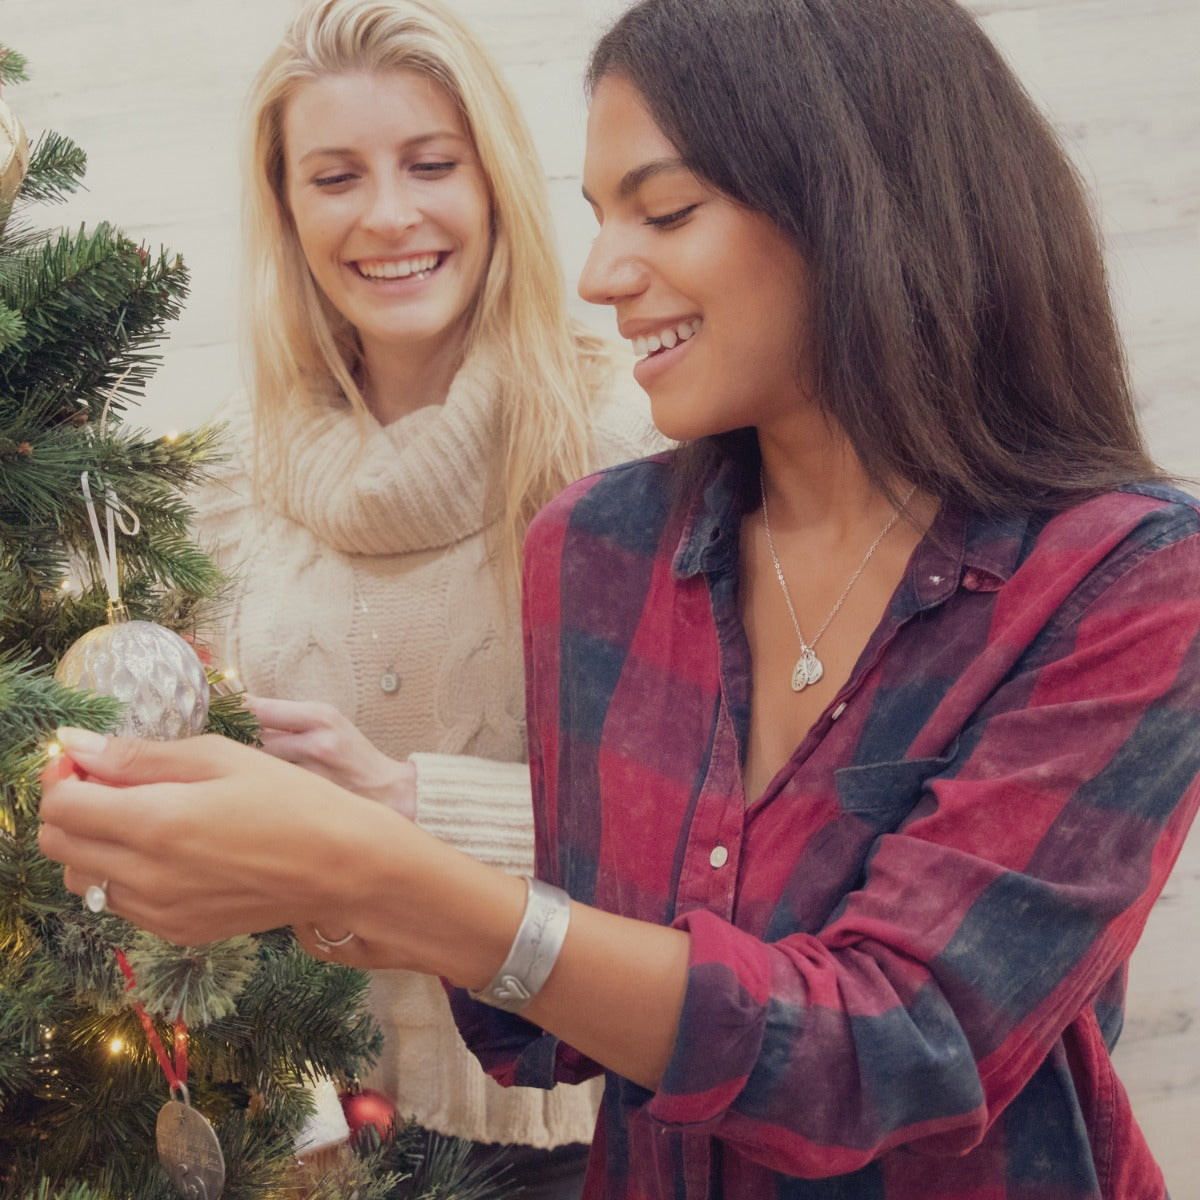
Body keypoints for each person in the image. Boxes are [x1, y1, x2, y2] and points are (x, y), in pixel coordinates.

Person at [38, 0, 1200, 1196]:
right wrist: (262, 868)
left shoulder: (1127, 578)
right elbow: (553, 1023)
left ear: (859, 200)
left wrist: (375, 860)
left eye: (667, 209)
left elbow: (894, 1049)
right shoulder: (601, 544)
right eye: (599, 216)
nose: (600, 273)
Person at [178, 0, 658, 1192]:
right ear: (287, 210)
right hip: (305, 1130)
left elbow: (707, 829)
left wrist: (402, 804)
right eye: (334, 176)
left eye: (429, 164)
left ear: (492, 182)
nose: (388, 215)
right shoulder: (220, 487)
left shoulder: (630, 455)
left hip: (572, 1121)